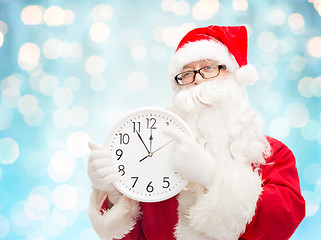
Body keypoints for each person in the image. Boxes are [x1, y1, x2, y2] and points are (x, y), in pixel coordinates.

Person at [87, 25, 305, 240]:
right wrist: (115, 195)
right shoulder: (155, 157)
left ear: (233, 76)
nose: (198, 79)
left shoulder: (273, 155)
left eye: (209, 68)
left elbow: (281, 222)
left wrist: (210, 176)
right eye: (188, 73)